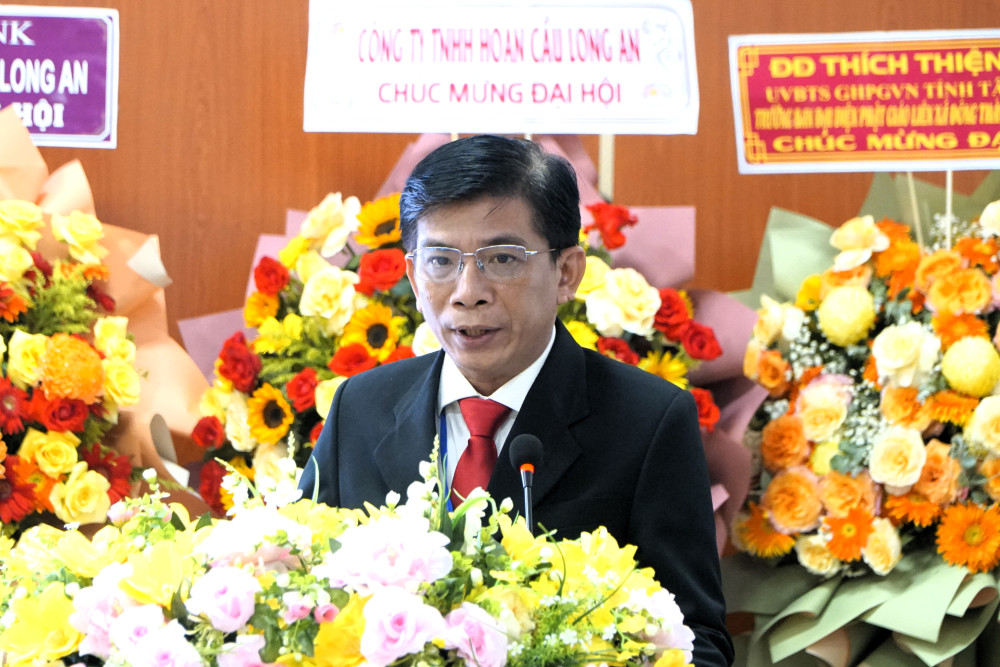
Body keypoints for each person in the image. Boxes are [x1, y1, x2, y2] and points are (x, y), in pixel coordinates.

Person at [298, 134, 734, 665]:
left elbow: (697, 642)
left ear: (566, 273)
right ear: (412, 275)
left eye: (502, 259)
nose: (468, 292)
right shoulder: (360, 407)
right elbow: (304, 596)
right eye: (441, 261)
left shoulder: (648, 421)